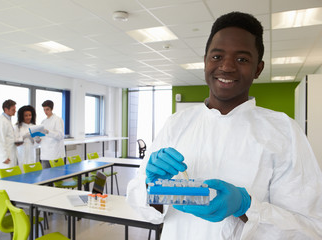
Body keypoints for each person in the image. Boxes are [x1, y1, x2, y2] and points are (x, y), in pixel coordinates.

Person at [126, 12, 322, 239]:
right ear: (205, 61)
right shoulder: (176, 124)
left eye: (242, 59)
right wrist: (152, 187)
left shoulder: (284, 132)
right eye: (217, 56)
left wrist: (246, 208)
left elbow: (310, 228)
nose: (226, 67)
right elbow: (146, 210)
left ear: (258, 69)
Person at [0, 99, 21, 178]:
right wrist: (3, 157)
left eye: (15, 109)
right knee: (3, 181)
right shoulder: (0, 122)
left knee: (10, 180)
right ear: (6, 109)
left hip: (10, 155)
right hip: (4, 158)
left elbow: (8, 138)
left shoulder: (7, 121)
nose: (15, 111)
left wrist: (16, 142)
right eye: (13, 110)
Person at [39, 100, 65, 169]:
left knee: (56, 177)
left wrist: (48, 132)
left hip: (55, 154)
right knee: (46, 177)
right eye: (44, 110)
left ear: (52, 109)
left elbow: (60, 136)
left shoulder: (58, 120)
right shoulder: (43, 122)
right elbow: (43, 137)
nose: (45, 112)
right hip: (45, 154)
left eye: (47, 109)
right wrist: (38, 138)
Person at [14, 105, 40, 170]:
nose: (28, 117)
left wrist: (37, 140)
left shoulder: (34, 126)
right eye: (26, 115)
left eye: (30, 115)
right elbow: (15, 141)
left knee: (32, 171)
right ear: (22, 116)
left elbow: (37, 145)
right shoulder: (17, 127)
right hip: (21, 153)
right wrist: (24, 137)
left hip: (31, 152)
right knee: (22, 171)